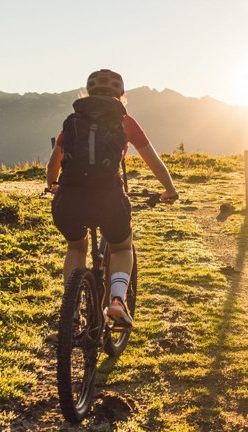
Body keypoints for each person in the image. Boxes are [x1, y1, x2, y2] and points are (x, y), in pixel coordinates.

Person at [47, 69, 178, 326]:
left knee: (76, 247)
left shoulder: (74, 120)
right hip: (108, 198)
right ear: (121, 95)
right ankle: (117, 301)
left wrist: (52, 184)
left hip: (69, 199)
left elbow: (55, 162)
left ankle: (71, 311)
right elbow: (153, 161)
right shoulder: (125, 121)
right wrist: (170, 189)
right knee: (121, 247)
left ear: (88, 92)